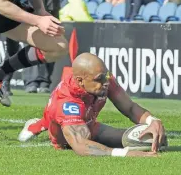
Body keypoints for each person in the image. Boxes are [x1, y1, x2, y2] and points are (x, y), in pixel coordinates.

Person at [18, 53, 166, 157]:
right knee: (76, 133)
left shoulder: (103, 80)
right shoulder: (66, 102)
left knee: (152, 139)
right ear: (80, 81)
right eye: (100, 79)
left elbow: (130, 107)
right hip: (65, 135)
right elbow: (81, 145)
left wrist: (152, 121)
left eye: (106, 76)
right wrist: (125, 153)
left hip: (89, 124)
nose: (106, 82)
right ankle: (35, 126)